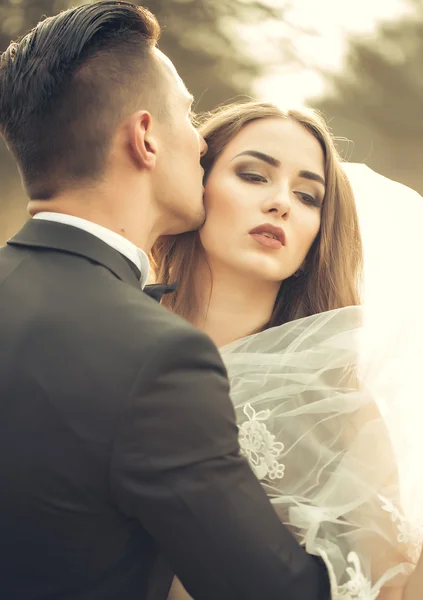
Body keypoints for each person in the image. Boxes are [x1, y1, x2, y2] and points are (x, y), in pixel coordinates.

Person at [0, 4, 332, 600]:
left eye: (308, 195)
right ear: (145, 137)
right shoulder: (157, 357)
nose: (200, 138)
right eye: (186, 114)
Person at [151, 101, 423, 599]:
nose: (281, 203)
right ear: (194, 186)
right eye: (253, 175)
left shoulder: (334, 406)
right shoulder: (113, 335)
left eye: (309, 196)